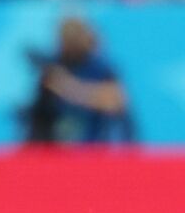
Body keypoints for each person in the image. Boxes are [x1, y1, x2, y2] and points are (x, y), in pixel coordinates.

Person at [24, 16, 133, 145]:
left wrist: (68, 87)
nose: (71, 39)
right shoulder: (53, 67)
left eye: (76, 33)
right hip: (56, 149)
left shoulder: (100, 68)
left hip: (94, 147)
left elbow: (116, 101)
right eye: (66, 34)